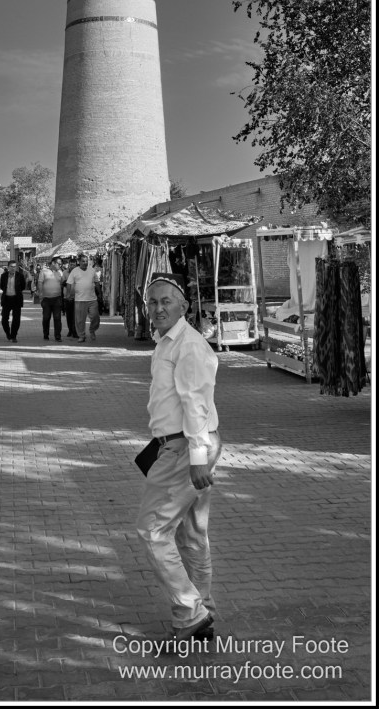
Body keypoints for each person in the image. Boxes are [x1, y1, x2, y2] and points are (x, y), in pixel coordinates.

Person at [136, 272, 221, 642]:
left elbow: (196, 402)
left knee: (153, 529)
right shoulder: (167, 341)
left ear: (183, 306)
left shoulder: (188, 345)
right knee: (191, 534)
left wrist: (197, 457)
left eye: (165, 301)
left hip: (185, 448)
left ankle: (190, 612)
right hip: (184, 445)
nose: (157, 308)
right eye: (152, 302)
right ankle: (203, 608)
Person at [66, 252, 100, 342]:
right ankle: (81, 335)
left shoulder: (92, 270)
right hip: (80, 300)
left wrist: (99, 293)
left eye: (86, 261)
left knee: (95, 317)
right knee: (80, 320)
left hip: (92, 299)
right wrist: (68, 294)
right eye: (83, 261)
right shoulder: (74, 271)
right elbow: (69, 283)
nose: (85, 263)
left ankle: (92, 330)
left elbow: (96, 282)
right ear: (79, 262)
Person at [0, 259, 27, 342]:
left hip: (16, 299)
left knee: (16, 319)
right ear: (8, 267)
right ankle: (8, 333)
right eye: (11, 266)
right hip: (6, 299)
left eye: (14, 267)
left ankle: (14, 335)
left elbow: (23, 286)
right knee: (4, 319)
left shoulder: (20, 276)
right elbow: (1, 286)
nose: (13, 268)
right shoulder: (4, 276)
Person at [38, 256, 64, 341]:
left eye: (61, 264)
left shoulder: (60, 272)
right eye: (58, 264)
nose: (60, 265)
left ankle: (58, 336)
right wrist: (41, 295)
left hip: (57, 299)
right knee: (46, 318)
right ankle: (46, 334)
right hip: (46, 299)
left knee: (57, 318)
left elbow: (62, 284)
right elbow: (40, 283)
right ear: (53, 263)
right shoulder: (44, 271)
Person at [62, 257, 78, 338]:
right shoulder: (65, 272)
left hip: (77, 297)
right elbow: (63, 283)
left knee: (75, 316)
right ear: (69, 265)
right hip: (67, 297)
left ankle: (75, 331)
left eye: (74, 265)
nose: (72, 266)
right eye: (71, 265)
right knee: (69, 315)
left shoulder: (79, 273)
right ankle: (70, 330)